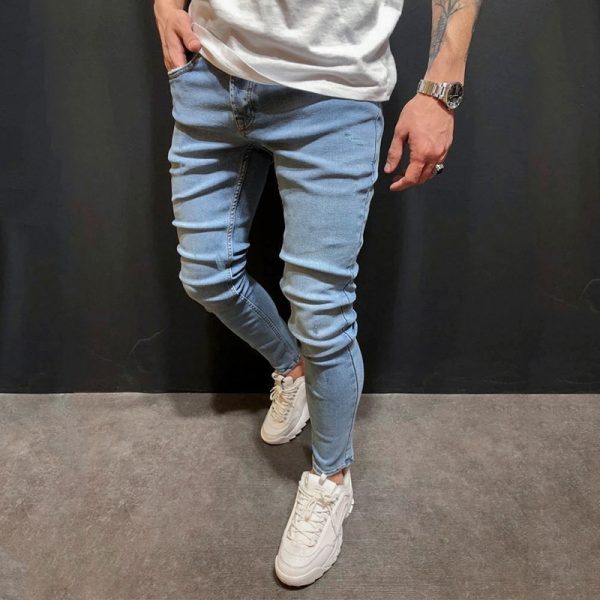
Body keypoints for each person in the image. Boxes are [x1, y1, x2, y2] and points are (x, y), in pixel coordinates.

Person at [153, 0, 483, 587]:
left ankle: (332, 479)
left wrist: (441, 89)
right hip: (212, 74)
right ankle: (292, 369)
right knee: (206, 275)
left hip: (333, 94)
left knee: (321, 311)